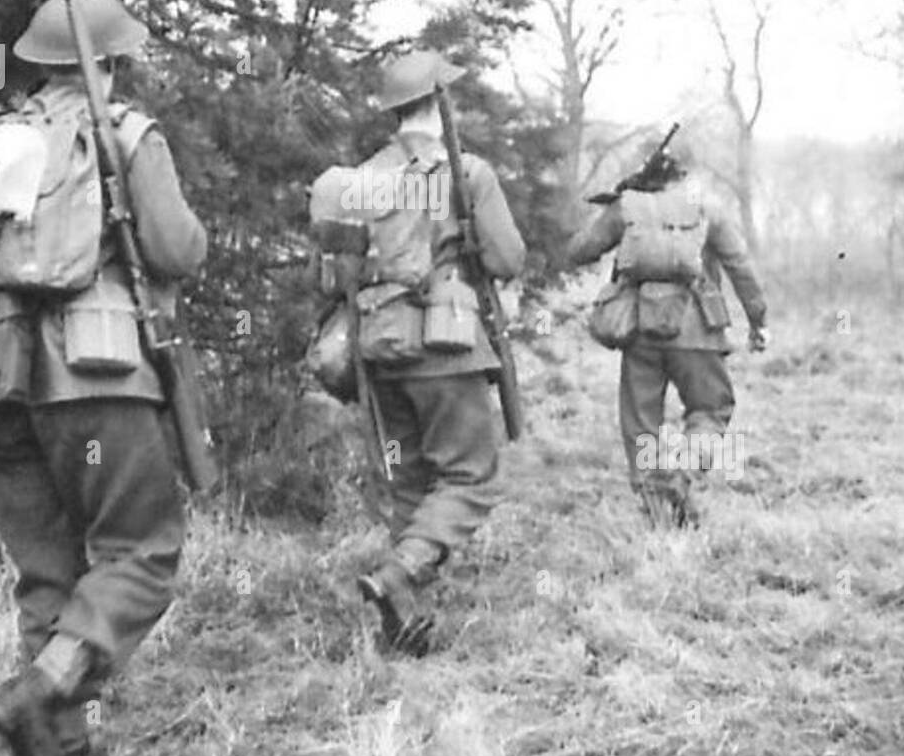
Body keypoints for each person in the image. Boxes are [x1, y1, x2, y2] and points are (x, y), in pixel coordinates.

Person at [0, 0, 206, 756]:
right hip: (99, 376)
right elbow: (177, 251)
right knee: (140, 553)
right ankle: (41, 693)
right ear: (108, 65)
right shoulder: (124, 134)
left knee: (47, 570)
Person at [318, 50, 525, 654]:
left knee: (409, 484)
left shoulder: (360, 180)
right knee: (470, 476)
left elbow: (335, 275)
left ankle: (403, 624)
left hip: (378, 348)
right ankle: (400, 575)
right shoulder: (467, 174)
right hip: (446, 345)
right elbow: (509, 260)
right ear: (438, 107)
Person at [567, 141, 767, 528]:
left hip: (641, 332)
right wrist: (759, 321)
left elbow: (579, 251)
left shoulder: (627, 206)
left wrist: (619, 199)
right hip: (698, 332)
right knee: (710, 411)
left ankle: (656, 505)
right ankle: (683, 474)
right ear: (686, 173)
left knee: (642, 424)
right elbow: (740, 266)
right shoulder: (708, 207)